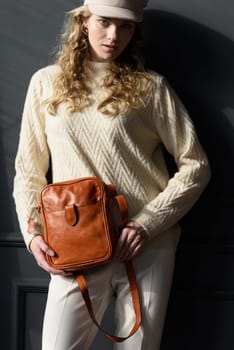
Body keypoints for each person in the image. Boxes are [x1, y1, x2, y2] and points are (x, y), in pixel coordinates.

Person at [13, 0, 211, 349]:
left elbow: (196, 165)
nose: (113, 35)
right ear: (84, 21)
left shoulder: (151, 88)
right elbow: (28, 169)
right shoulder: (46, 83)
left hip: (145, 247)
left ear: (136, 31)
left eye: (126, 26)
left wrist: (146, 224)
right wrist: (33, 233)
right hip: (75, 245)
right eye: (104, 22)